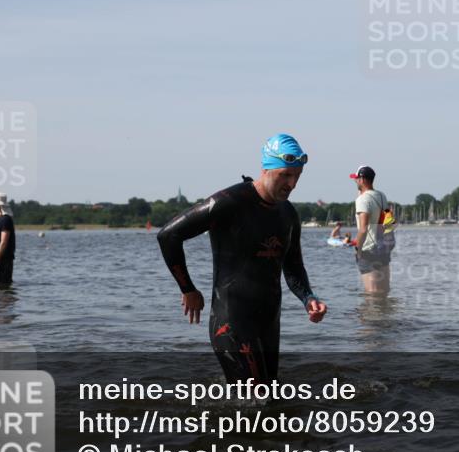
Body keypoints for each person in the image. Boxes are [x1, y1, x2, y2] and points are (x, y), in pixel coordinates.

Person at [156, 134, 327, 384]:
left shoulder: (288, 214)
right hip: (231, 321)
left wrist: (308, 298)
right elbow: (168, 235)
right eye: (285, 175)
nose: (292, 184)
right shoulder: (230, 202)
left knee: (269, 402)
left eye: (297, 176)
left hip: (268, 322)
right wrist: (188, 289)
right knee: (254, 402)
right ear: (266, 169)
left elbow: (293, 266)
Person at [351, 165, 390, 294]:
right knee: (384, 290)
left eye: (357, 179)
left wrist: (358, 249)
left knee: (371, 293)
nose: (356, 182)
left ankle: (371, 314)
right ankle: (385, 313)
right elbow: (389, 222)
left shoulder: (362, 200)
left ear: (362, 179)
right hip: (383, 247)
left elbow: (363, 229)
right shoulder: (381, 196)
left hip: (368, 250)